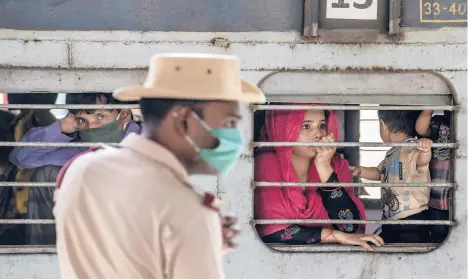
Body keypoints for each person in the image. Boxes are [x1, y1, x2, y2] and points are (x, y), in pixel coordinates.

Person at [53, 53, 265, 278]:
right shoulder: (189, 211)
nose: (235, 138)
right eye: (229, 123)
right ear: (185, 120)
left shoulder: (82, 169)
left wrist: (193, 245)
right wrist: (199, 241)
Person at [254, 104, 384, 251]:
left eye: (322, 125)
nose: (318, 134)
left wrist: (323, 167)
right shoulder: (266, 163)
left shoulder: (336, 164)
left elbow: (349, 227)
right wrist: (334, 236)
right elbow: (269, 231)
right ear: (284, 128)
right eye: (306, 126)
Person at [351, 110, 433, 243]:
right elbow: (379, 173)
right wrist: (361, 171)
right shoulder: (392, 153)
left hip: (412, 218)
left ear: (383, 125)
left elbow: (422, 162)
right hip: (391, 219)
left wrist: (425, 151)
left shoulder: (411, 148)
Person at [9, 92, 140, 169]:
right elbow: (21, 159)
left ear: (124, 115)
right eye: (82, 120)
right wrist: (60, 129)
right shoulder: (76, 149)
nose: (92, 127)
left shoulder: (150, 143)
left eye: (101, 116)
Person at [416, 110, 452, 243]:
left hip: (462, 198)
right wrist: (427, 111)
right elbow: (421, 130)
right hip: (438, 199)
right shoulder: (439, 122)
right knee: (439, 238)